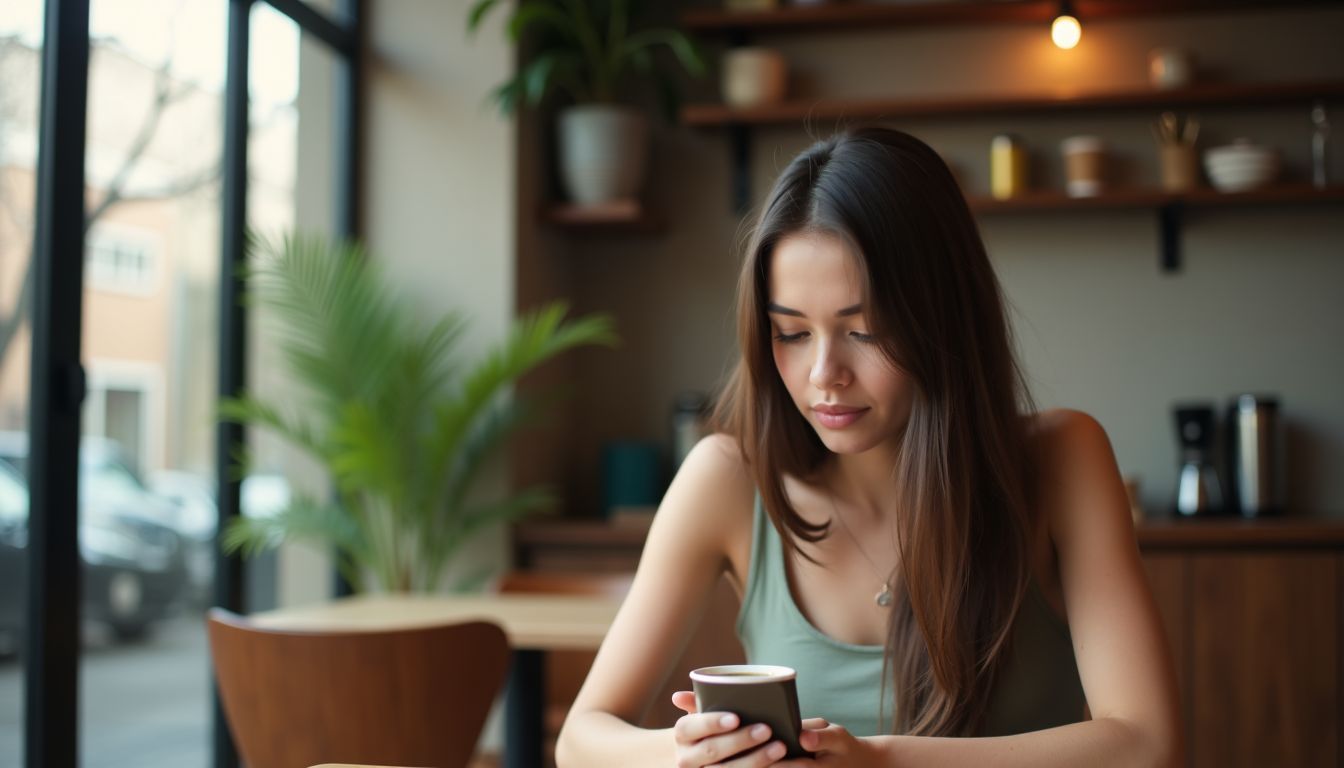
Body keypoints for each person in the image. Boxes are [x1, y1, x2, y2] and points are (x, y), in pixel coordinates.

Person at [555, 127, 1181, 767]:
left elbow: (1147, 744)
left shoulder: (1062, 459)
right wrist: (685, 755)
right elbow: (581, 741)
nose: (825, 372)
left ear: (941, 317)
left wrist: (882, 763)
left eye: (864, 330)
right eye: (791, 332)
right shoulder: (725, 478)